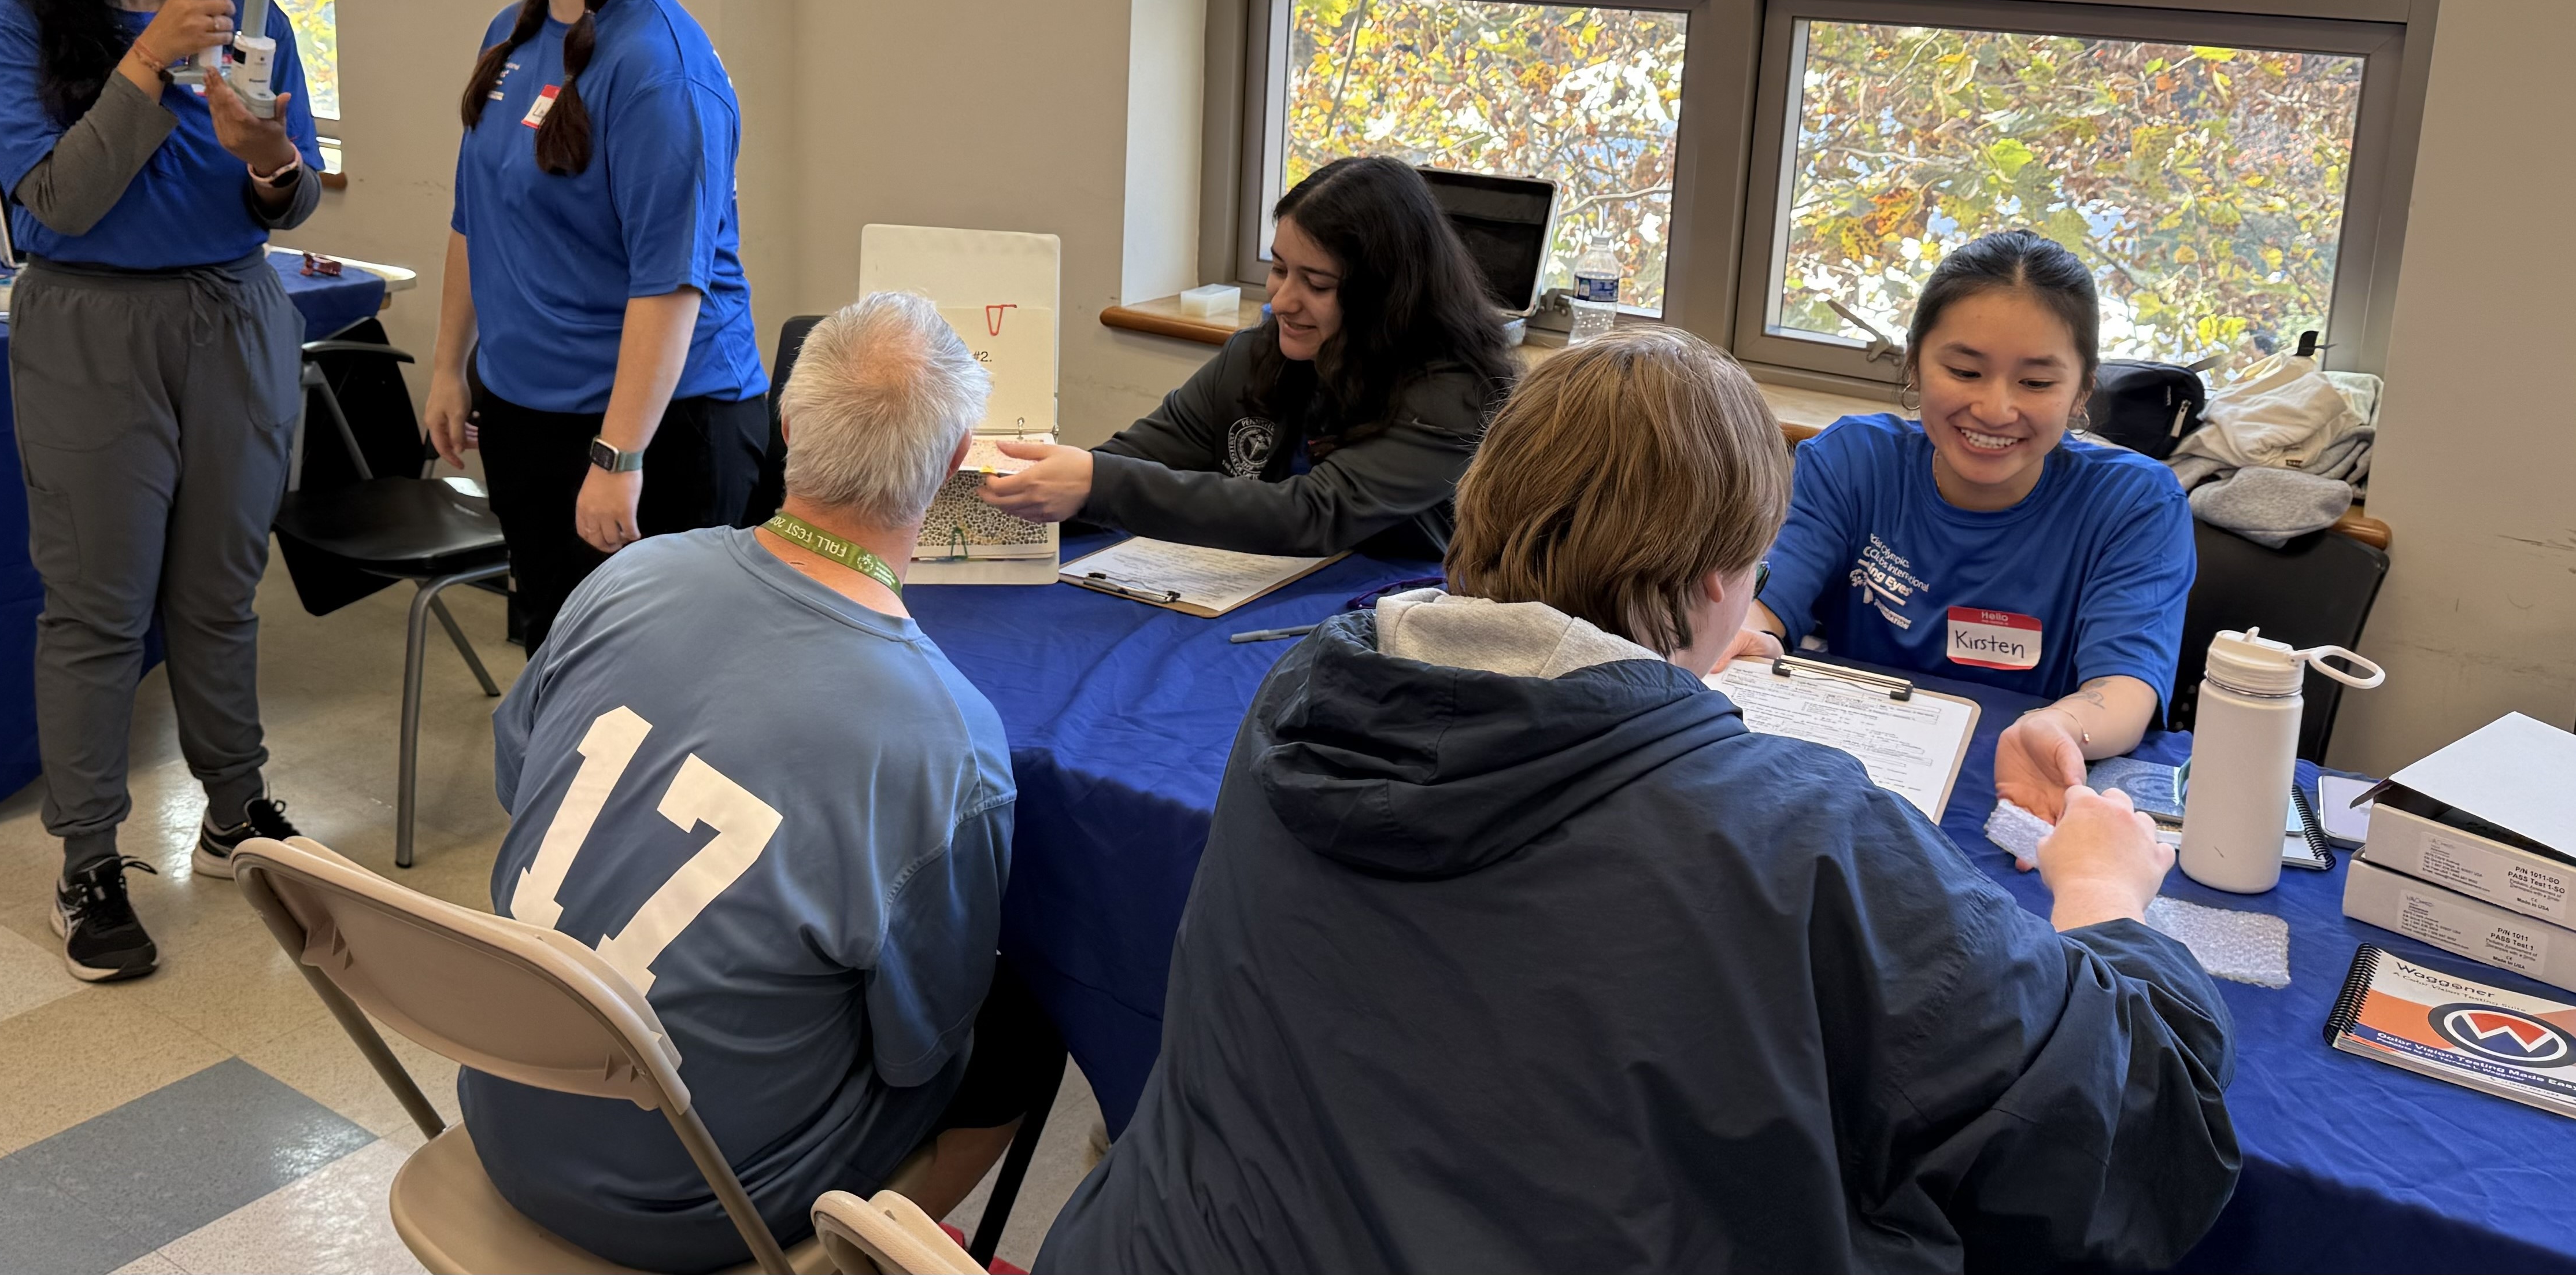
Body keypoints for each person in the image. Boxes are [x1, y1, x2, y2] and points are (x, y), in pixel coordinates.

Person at [1036, 330, 2240, 1275]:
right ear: (1721, 585)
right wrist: (2102, 895)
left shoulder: (1307, 693)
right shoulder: (1800, 835)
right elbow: (2137, 1135)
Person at [464, 292, 1065, 1272]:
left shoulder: (627, 577)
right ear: (956, 461)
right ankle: (855, 1252)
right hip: (690, 1210)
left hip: (503, 1109)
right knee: (1024, 1031)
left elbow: (517, 775)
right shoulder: (948, 737)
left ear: (787, 424)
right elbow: (919, 1044)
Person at [0, 0, 326, 983]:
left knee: (221, 593)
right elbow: (58, 204)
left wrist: (267, 160)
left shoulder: (247, 8)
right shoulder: (20, 30)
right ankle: (87, 860)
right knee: (99, 608)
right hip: (91, 327)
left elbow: (293, 196)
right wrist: (148, 61)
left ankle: (235, 811)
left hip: (231, 312)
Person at [423, 0, 765, 652]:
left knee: (655, 684)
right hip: (528, 415)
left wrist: (618, 456)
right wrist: (449, 368)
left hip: (658, 432)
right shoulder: (512, 33)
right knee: (559, 663)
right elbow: (475, 218)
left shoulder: (661, 71)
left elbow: (670, 286)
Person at [1721, 230, 2197, 822]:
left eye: (2037, 383)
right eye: (1966, 371)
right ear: (1914, 362)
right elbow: (1766, 604)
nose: (1995, 409)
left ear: (2082, 390)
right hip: (1855, 783)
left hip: (2022, 783)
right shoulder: (1851, 460)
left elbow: (2124, 688)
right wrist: (1744, 637)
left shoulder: (2135, 502)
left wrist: (2059, 726)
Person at [979, 156, 1513, 556]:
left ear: (1386, 296)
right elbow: (1141, 457)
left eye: (1317, 284)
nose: (1281, 301)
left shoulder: (1455, 396)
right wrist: (1010, 487)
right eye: (1279, 269)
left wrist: (1099, 484)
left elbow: (1313, 514)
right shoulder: (1256, 355)